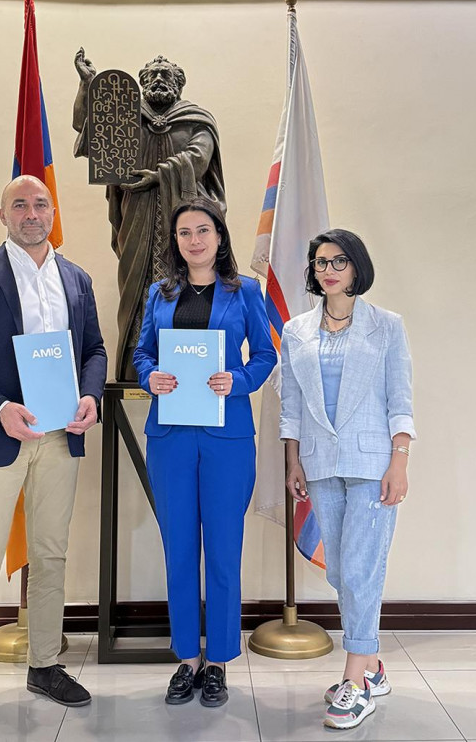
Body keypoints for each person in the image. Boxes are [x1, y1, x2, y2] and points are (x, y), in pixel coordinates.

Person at [0, 175, 107, 729]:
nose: (31, 213)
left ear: (52, 212)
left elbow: (94, 349)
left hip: (60, 436)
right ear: (3, 214)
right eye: (19, 205)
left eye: (40, 204)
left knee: (51, 554)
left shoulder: (76, 278)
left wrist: (90, 395)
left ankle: (45, 664)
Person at [133, 197, 276, 708]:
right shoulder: (159, 293)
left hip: (226, 439)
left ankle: (217, 660)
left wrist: (238, 380)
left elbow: (266, 355)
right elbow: (142, 352)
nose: (194, 240)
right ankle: (187, 659)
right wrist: (150, 376)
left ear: (219, 236)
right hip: (170, 437)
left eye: (202, 231)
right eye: (184, 233)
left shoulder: (246, 292)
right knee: (178, 550)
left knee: (222, 549)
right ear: (175, 242)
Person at [279, 229, 415, 730]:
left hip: (373, 464)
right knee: (340, 570)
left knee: (360, 569)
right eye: (320, 262)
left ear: (357, 266)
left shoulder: (387, 326)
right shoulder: (296, 330)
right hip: (319, 464)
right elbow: (291, 406)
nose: (329, 270)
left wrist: (400, 461)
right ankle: (373, 665)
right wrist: (293, 461)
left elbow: (400, 399)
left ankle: (355, 681)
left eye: (339, 261)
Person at [73, 49, 226, 381]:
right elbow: (94, 139)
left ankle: (185, 360)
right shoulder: (127, 116)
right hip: (136, 216)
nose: (158, 79)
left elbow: (198, 158)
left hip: (183, 219)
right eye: (152, 76)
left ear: (178, 84)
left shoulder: (196, 120)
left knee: (187, 283)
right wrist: (90, 87)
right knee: (137, 287)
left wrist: (158, 177)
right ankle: (138, 365)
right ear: (141, 84)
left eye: (165, 75)